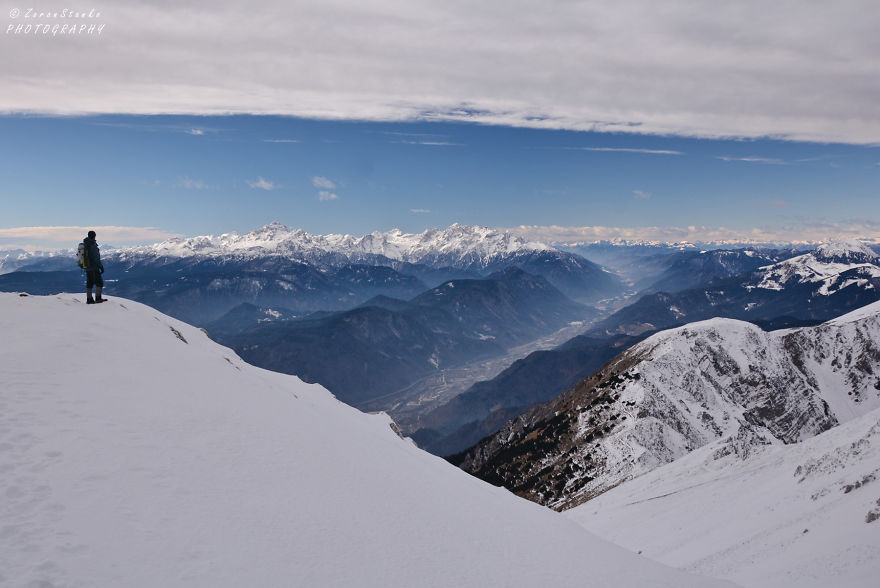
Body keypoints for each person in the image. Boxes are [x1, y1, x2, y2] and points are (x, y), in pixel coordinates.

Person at [82, 230, 107, 304]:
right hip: (93, 267)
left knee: (89, 282)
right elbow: (96, 258)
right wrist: (100, 266)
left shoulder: (85, 244)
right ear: (94, 236)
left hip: (87, 267)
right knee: (99, 283)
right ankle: (98, 298)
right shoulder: (92, 244)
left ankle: (89, 299)